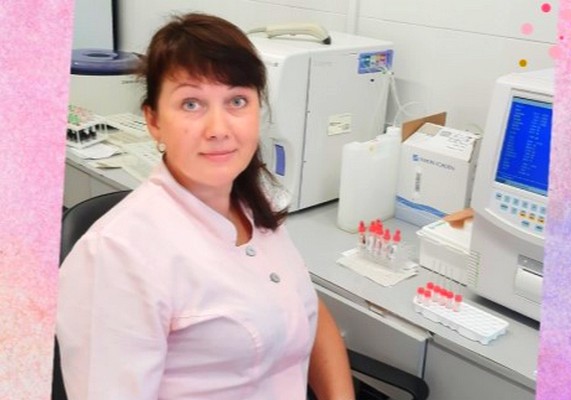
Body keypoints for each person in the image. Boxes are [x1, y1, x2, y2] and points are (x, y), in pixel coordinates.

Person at [57, 12, 355, 400]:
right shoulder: (116, 256)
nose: (218, 128)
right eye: (191, 104)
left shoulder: (253, 204)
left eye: (237, 101)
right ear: (153, 120)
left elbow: (304, 306)